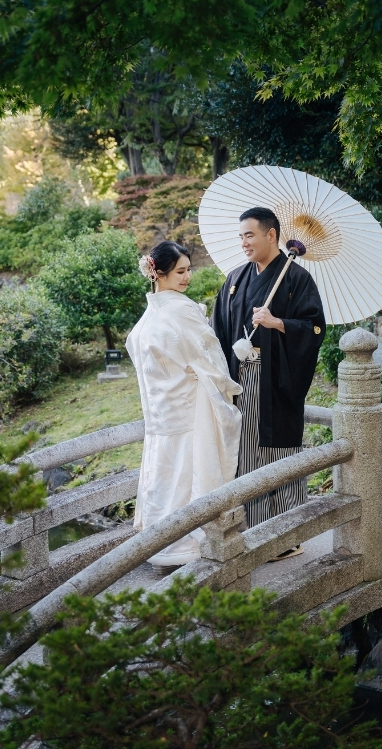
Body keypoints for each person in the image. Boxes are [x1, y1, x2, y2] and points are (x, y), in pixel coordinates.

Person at [212, 208, 325, 555]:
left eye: (250, 235)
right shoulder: (234, 280)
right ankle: (259, 533)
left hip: (276, 378)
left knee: (280, 452)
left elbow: (316, 328)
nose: (243, 242)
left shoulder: (296, 279)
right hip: (239, 376)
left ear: (271, 235)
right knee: (246, 455)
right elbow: (216, 331)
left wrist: (278, 324)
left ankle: (289, 534)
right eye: (241, 236)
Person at [125, 240, 243, 567]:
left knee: (165, 470)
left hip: (161, 411)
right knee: (191, 469)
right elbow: (209, 358)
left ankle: (162, 546)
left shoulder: (147, 319)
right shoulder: (182, 310)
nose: (187, 276)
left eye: (189, 269)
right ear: (158, 273)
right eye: (180, 271)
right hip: (190, 407)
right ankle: (190, 547)